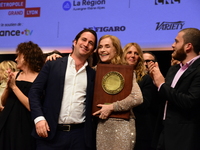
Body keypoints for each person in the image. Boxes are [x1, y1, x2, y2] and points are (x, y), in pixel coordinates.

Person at [28, 29, 97, 150]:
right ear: (75, 42)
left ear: (92, 50)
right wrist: (39, 119)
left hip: (79, 137)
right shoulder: (53, 64)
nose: (86, 44)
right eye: (84, 40)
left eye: (91, 43)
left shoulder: (92, 74)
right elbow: (34, 92)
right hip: (50, 134)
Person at [148, 28, 200, 150]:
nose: (172, 45)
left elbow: (190, 101)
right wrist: (155, 82)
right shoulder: (174, 69)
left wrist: (161, 84)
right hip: (164, 131)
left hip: (185, 135)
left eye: (176, 41)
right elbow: (165, 98)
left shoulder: (198, 70)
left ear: (188, 46)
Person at [92, 35, 143, 150]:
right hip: (100, 125)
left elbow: (137, 98)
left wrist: (112, 107)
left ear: (116, 49)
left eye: (107, 46)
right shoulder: (95, 70)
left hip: (122, 125)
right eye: (100, 47)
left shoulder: (126, 70)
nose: (102, 50)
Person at [0, 41, 45, 150]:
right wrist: (8, 87)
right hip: (7, 122)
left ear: (25, 56)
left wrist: (14, 87)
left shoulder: (39, 79)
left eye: (18, 56)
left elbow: (33, 107)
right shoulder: (16, 75)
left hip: (24, 125)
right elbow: (3, 102)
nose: (16, 59)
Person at [122, 43, 158, 150]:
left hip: (140, 129)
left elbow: (144, 104)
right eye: (129, 52)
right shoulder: (116, 74)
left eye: (136, 53)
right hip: (119, 126)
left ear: (139, 58)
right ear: (123, 55)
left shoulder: (145, 78)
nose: (132, 55)